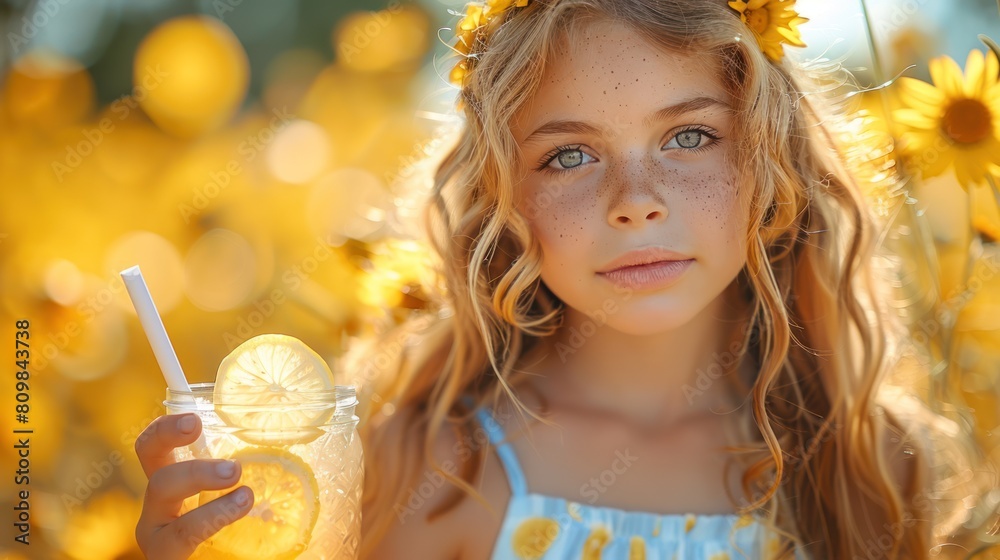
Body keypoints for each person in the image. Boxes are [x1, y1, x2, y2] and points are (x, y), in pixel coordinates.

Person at [135, 0, 947, 558]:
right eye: (570, 155)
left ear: (771, 158)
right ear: (504, 200)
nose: (635, 202)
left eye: (689, 137)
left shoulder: (867, 466)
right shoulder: (443, 470)